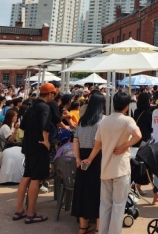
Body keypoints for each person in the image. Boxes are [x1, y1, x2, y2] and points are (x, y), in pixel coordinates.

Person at [85, 92, 141, 234]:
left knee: (105, 205)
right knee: (119, 204)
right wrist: (125, 146)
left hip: (105, 169)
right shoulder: (127, 120)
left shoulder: (103, 121)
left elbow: (97, 145)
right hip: (121, 168)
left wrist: (89, 159)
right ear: (127, 106)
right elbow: (138, 136)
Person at [13, 82, 57, 224]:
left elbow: (23, 126)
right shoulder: (45, 107)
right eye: (53, 94)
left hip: (28, 145)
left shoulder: (31, 107)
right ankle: (31, 213)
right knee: (36, 179)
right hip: (39, 146)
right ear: (50, 94)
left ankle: (19, 209)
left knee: (26, 176)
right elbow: (45, 125)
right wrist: (45, 140)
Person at [72, 91, 106, 234]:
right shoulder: (103, 121)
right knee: (98, 192)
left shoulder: (82, 120)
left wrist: (78, 159)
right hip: (96, 158)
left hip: (82, 156)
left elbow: (75, 140)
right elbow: (99, 145)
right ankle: (98, 228)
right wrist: (90, 159)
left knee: (82, 190)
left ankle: (83, 226)